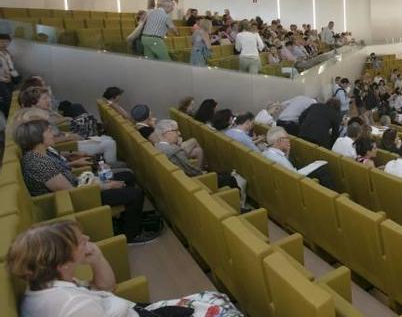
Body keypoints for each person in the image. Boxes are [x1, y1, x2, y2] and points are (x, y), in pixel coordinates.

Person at [7, 220, 240, 317]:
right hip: (137, 313)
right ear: (63, 261)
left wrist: (96, 257)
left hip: (135, 310)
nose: (88, 238)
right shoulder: (75, 306)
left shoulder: (47, 284)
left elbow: (108, 288)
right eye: (81, 241)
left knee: (215, 298)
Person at [15, 119, 156, 244]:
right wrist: (106, 186)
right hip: (82, 198)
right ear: (36, 137)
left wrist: (75, 165)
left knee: (127, 176)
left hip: (82, 187)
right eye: (48, 131)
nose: (53, 133)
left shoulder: (39, 154)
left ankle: (127, 220)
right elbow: (72, 191)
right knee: (135, 194)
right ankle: (131, 235)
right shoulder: (38, 163)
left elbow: (61, 171)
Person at [262, 126, 335, 189]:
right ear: (279, 141)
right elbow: (294, 176)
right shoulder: (279, 159)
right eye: (287, 138)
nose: (289, 140)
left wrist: (287, 153)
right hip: (294, 185)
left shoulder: (266, 153)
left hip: (284, 181)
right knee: (322, 170)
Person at [0, 33, 19, 117]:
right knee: (7, 98)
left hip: (9, 79)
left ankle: (13, 115)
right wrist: (4, 79)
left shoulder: (7, 53)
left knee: (14, 97)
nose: (4, 44)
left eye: (6, 42)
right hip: (1, 81)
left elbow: (10, 67)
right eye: (2, 42)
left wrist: (14, 75)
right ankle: (8, 117)